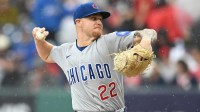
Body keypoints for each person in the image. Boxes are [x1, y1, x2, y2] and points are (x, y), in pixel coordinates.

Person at [32, 2, 156, 112]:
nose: (99, 22)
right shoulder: (66, 51)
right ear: (78, 22)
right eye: (93, 18)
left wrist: (145, 43)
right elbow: (47, 54)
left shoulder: (110, 41)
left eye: (100, 19)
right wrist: (39, 41)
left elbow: (149, 33)